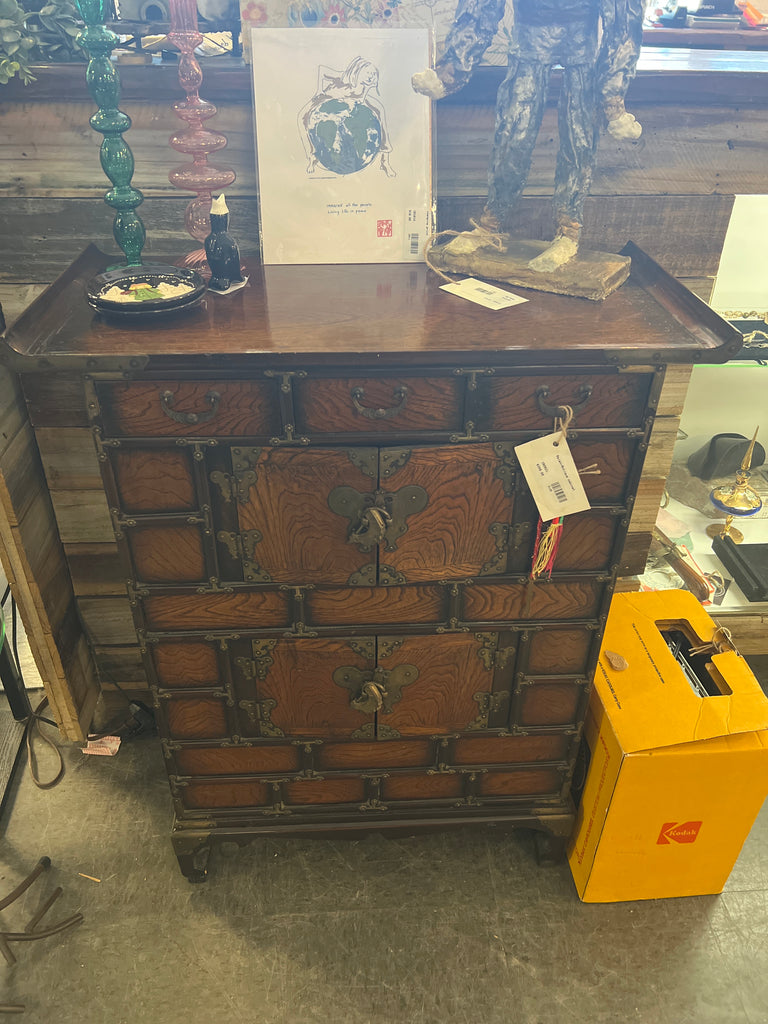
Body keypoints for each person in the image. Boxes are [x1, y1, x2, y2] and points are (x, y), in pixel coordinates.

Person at [413, 0, 643, 271]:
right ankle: (490, 224)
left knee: (579, 139)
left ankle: (569, 231)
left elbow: (622, 21)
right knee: (512, 134)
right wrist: (451, 70)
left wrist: (613, 96)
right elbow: (482, 6)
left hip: (583, 49)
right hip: (528, 44)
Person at [299, 56, 396, 177]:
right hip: (328, 98)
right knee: (303, 116)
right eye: (368, 73)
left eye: (373, 74)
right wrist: (319, 91)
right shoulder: (345, 77)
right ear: (359, 71)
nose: (370, 76)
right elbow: (322, 70)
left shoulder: (365, 87)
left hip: (348, 103)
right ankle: (313, 155)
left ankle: (385, 161)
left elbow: (361, 101)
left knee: (380, 110)